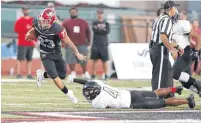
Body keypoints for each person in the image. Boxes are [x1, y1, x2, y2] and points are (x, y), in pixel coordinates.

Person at [25, 8, 87, 104]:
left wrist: (77, 53)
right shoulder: (37, 23)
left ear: (51, 21)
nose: (42, 23)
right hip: (45, 53)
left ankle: (43, 74)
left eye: (45, 21)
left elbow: (69, 42)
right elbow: (33, 29)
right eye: (42, 21)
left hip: (57, 53)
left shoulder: (58, 29)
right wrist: (29, 33)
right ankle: (69, 94)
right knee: (55, 77)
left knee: (62, 75)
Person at [70, 78, 195, 109]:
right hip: (132, 94)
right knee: (155, 93)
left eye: (89, 92)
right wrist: (76, 80)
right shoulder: (101, 85)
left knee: (164, 102)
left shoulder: (98, 101)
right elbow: (88, 82)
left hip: (133, 102)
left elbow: (106, 106)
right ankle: (175, 89)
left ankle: (187, 100)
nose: (87, 95)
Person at [149, 1, 181, 98]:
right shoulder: (166, 19)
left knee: (168, 71)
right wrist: (172, 50)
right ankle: (157, 97)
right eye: (175, 8)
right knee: (159, 74)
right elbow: (163, 37)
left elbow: (166, 38)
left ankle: (169, 94)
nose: (176, 10)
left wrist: (177, 47)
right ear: (171, 9)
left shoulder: (161, 17)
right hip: (160, 49)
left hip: (157, 48)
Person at [171, 13, 201, 96]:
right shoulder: (170, 28)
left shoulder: (182, 25)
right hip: (181, 54)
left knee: (174, 73)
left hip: (187, 53)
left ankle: (196, 82)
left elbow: (198, 37)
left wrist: (196, 51)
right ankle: (199, 89)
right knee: (185, 82)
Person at [62, 7, 91, 80]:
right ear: (69, 13)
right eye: (72, 12)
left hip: (82, 44)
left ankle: (85, 73)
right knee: (71, 60)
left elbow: (88, 32)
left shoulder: (83, 22)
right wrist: (63, 42)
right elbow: (62, 33)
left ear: (77, 12)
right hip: (71, 45)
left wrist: (89, 42)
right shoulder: (66, 22)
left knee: (83, 59)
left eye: (74, 12)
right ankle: (72, 73)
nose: (73, 13)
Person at [14, 6, 35, 79]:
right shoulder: (19, 20)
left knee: (29, 59)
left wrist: (34, 40)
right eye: (24, 10)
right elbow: (16, 30)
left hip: (31, 43)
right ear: (22, 11)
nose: (26, 11)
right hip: (22, 42)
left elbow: (36, 30)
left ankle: (29, 74)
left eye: (27, 10)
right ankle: (18, 73)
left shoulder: (32, 20)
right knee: (20, 58)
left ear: (29, 10)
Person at [91, 9, 110, 80]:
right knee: (95, 60)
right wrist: (102, 30)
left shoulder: (106, 23)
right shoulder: (94, 22)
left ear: (103, 14)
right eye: (99, 13)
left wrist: (99, 30)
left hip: (104, 44)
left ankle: (106, 75)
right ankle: (93, 74)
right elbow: (94, 30)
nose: (100, 15)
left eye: (101, 13)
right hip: (96, 44)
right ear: (97, 14)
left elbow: (107, 31)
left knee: (105, 60)